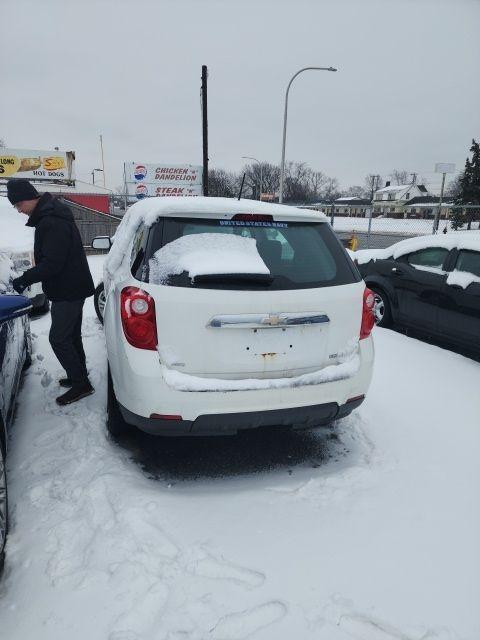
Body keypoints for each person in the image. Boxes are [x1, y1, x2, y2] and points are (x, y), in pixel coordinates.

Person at [7, 179, 95, 406]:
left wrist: (25, 279)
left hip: (68, 289)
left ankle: (81, 384)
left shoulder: (51, 221)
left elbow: (53, 263)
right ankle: (79, 376)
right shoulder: (51, 215)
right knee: (71, 336)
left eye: (18, 205)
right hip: (71, 286)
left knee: (59, 338)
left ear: (27, 198)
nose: (19, 210)